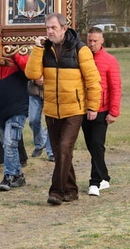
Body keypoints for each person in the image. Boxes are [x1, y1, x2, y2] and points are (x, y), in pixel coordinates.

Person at [25, 13, 101, 206]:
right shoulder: (44, 49)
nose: (49, 31)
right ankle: (72, 190)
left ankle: (56, 191)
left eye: (53, 28)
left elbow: (93, 80)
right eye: (47, 28)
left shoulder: (80, 49)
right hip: (51, 109)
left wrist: (93, 106)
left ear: (64, 28)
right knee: (60, 152)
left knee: (65, 149)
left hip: (74, 109)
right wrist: (37, 48)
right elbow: (32, 73)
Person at [83, 27, 121, 196]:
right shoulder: (81, 58)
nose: (92, 44)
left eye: (95, 41)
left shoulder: (109, 60)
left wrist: (113, 112)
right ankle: (104, 176)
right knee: (92, 145)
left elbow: (115, 87)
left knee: (97, 144)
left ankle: (95, 182)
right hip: (83, 109)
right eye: (89, 40)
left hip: (102, 109)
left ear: (102, 41)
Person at [0, 49, 31, 192]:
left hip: (17, 109)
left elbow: (29, 70)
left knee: (10, 143)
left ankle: (8, 176)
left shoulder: (17, 60)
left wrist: (13, 52)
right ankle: (18, 176)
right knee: (7, 144)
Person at [27, 78, 55, 162]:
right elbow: (27, 68)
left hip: (51, 91)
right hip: (34, 91)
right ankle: (40, 143)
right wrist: (33, 79)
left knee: (51, 122)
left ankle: (51, 152)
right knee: (33, 120)